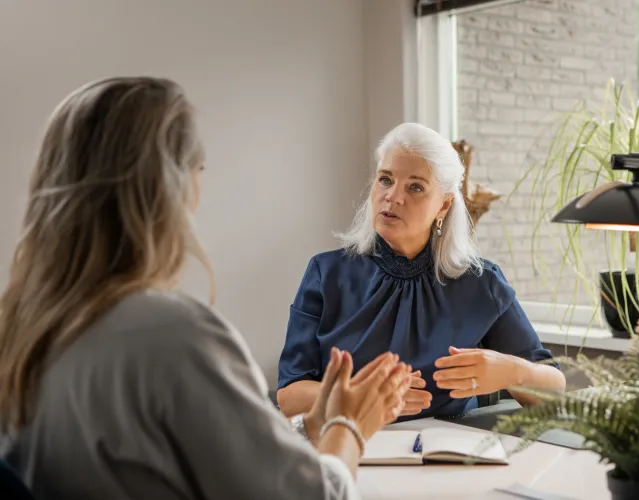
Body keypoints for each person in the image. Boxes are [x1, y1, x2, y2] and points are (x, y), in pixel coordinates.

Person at [0, 77, 411, 500]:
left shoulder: (21, 327)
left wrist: (309, 426)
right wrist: (349, 428)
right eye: (199, 170)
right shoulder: (172, 336)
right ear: (169, 187)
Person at [277, 123, 566, 421]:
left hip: (449, 458)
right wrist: (361, 397)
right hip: (351, 451)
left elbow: (555, 390)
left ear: (444, 205)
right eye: (385, 180)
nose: (393, 196)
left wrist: (512, 372)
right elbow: (289, 396)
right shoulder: (326, 274)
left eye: (415, 187)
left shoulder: (481, 283)